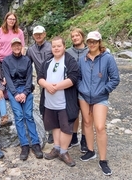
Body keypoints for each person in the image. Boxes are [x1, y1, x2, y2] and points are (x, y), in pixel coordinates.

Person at [78, 31, 120, 176]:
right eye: (90, 41)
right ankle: (90, 151)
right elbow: (77, 76)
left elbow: (115, 79)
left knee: (100, 127)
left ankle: (103, 160)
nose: (92, 44)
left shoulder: (107, 58)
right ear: (87, 42)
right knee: (87, 123)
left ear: (99, 42)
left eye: (95, 41)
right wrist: (80, 87)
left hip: (100, 97)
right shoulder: (83, 59)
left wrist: (104, 89)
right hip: (83, 96)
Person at [38, 36, 79, 167]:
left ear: (64, 46)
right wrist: (47, 85)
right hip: (49, 101)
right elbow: (40, 77)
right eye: (54, 46)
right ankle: (56, 148)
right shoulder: (48, 61)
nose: (56, 48)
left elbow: (74, 77)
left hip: (64, 101)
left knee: (66, 127)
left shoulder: (69, 60)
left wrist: (55, 87)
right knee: (54, 125)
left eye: (58, 46)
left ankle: (64, 151)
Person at [3, 38, 44, 161]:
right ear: (11, 47)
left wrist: (25, 93)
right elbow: (8, 79)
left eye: (18, 45)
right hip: (13, 89)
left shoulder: (27, 60)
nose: (16, 47)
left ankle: (35, 144)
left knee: (28, 115)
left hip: (25, 89)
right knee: (19, 116)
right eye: (14, 45)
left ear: (21, 46)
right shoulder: (6, 61)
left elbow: (29, 79)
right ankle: (24, 145)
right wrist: (15, 93)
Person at [26, 25, 53, 144]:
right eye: (36, 34)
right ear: (33, 36)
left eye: (40, 34)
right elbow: (26, 66)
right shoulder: (31, 50)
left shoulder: (52, 46)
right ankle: (51, 132)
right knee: (46, 105)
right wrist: (28, 83)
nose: (38, 36)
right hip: (42, 82)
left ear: (45, 34)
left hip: (56, 79)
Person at [66, 28, 88, 152]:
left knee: (86, 115)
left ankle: (84, 139)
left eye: (77, 35)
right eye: (73, 36)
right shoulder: (68, 52)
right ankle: (73, 137)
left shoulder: (89, 50)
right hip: (72, 87)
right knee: (73, 113)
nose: (75, 38)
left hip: (86, 86)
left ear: (82, 37)